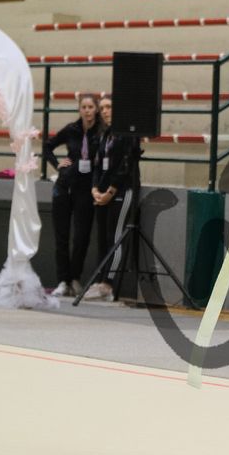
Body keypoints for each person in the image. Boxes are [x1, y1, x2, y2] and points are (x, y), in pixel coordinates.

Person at [83, 95, 141, 301]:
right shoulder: (105, 134)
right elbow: (98, 164)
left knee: (115, 238)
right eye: (103, 108)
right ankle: (100, 279)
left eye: (109, 107)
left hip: (122, 191)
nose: (105, 111)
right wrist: (95, 189)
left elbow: (125, 166)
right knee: (103, 239)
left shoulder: (127, 135)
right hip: (103, 193)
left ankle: (108, 283)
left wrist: (110, 192)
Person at [43, 92, 101, 296]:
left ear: (96, 109)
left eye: (90, 107)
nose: (87, 111)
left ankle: (75, 277)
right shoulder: (71, 129)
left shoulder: (101, 131)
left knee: (81, 236)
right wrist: (57, 164)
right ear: (79, 109)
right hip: (64, 186)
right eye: (84, 107)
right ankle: (62, 280)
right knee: (61, 236)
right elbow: (47, 146)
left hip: (86, 189)